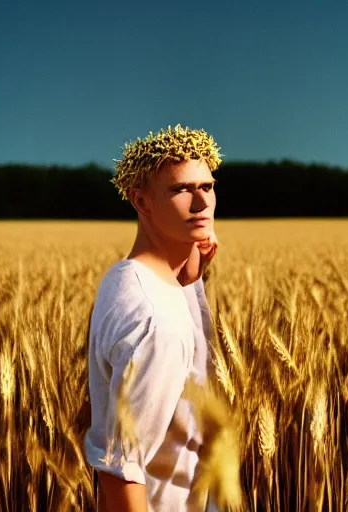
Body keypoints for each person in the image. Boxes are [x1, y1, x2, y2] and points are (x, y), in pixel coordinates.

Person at [84, 124, 222, 511]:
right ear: (141, 203)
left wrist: (191, 267)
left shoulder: (124, 277)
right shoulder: (158, 326)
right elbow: (120, 468)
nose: (202, 203)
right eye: (181, 190)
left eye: (207, 187)